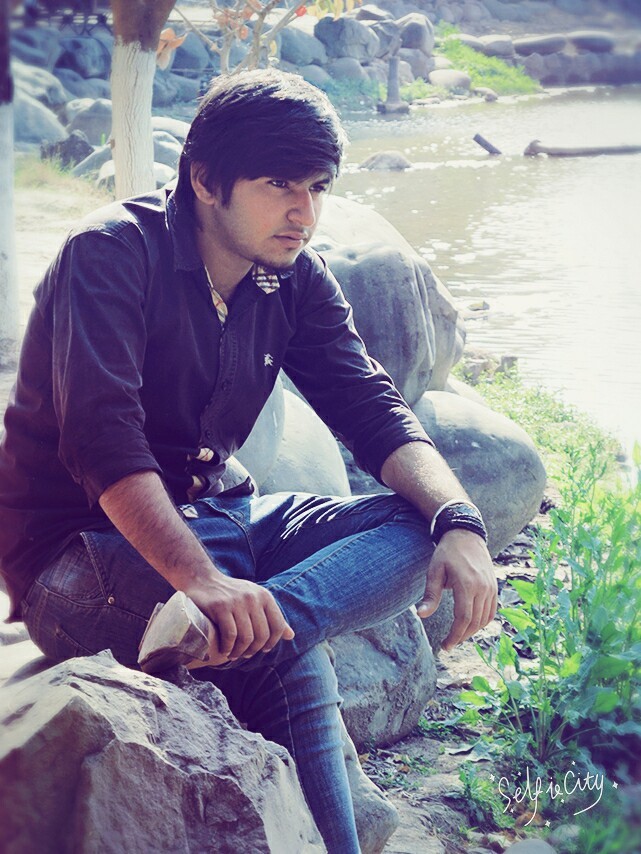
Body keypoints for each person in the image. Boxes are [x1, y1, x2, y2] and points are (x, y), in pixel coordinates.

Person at [0, 69, 497, 852]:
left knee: (415, 526)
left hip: (226, 520)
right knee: (275, 657)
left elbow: (371, 406)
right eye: (279, 185)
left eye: (317, 187)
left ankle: (253, 625)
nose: (305, 212)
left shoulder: (290, 277)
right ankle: (253, 638)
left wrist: (461, 520)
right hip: (80, 555)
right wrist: (200, 582)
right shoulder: (111, 253)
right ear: (205, 180)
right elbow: (102, 442)